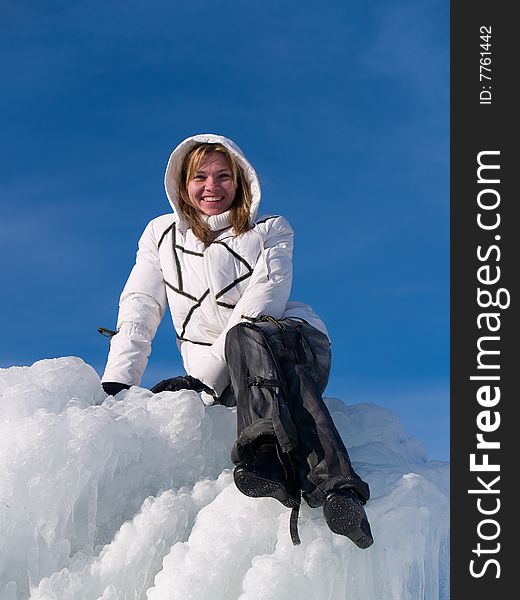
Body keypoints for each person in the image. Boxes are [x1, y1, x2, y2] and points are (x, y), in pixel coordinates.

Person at [101, 133, 373, 548]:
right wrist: (119, 381)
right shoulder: (160, 235)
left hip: (292, 338)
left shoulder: (271, 229)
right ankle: (340, 492)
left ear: (242, 181)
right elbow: (140, 305)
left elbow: (267, 295)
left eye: (224, 176)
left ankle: (266, 453)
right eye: (200, 177)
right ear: (182, 185)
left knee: (249, 333)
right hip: (236, 378)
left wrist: (204, 378)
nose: (212, 187)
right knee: (264, 363)